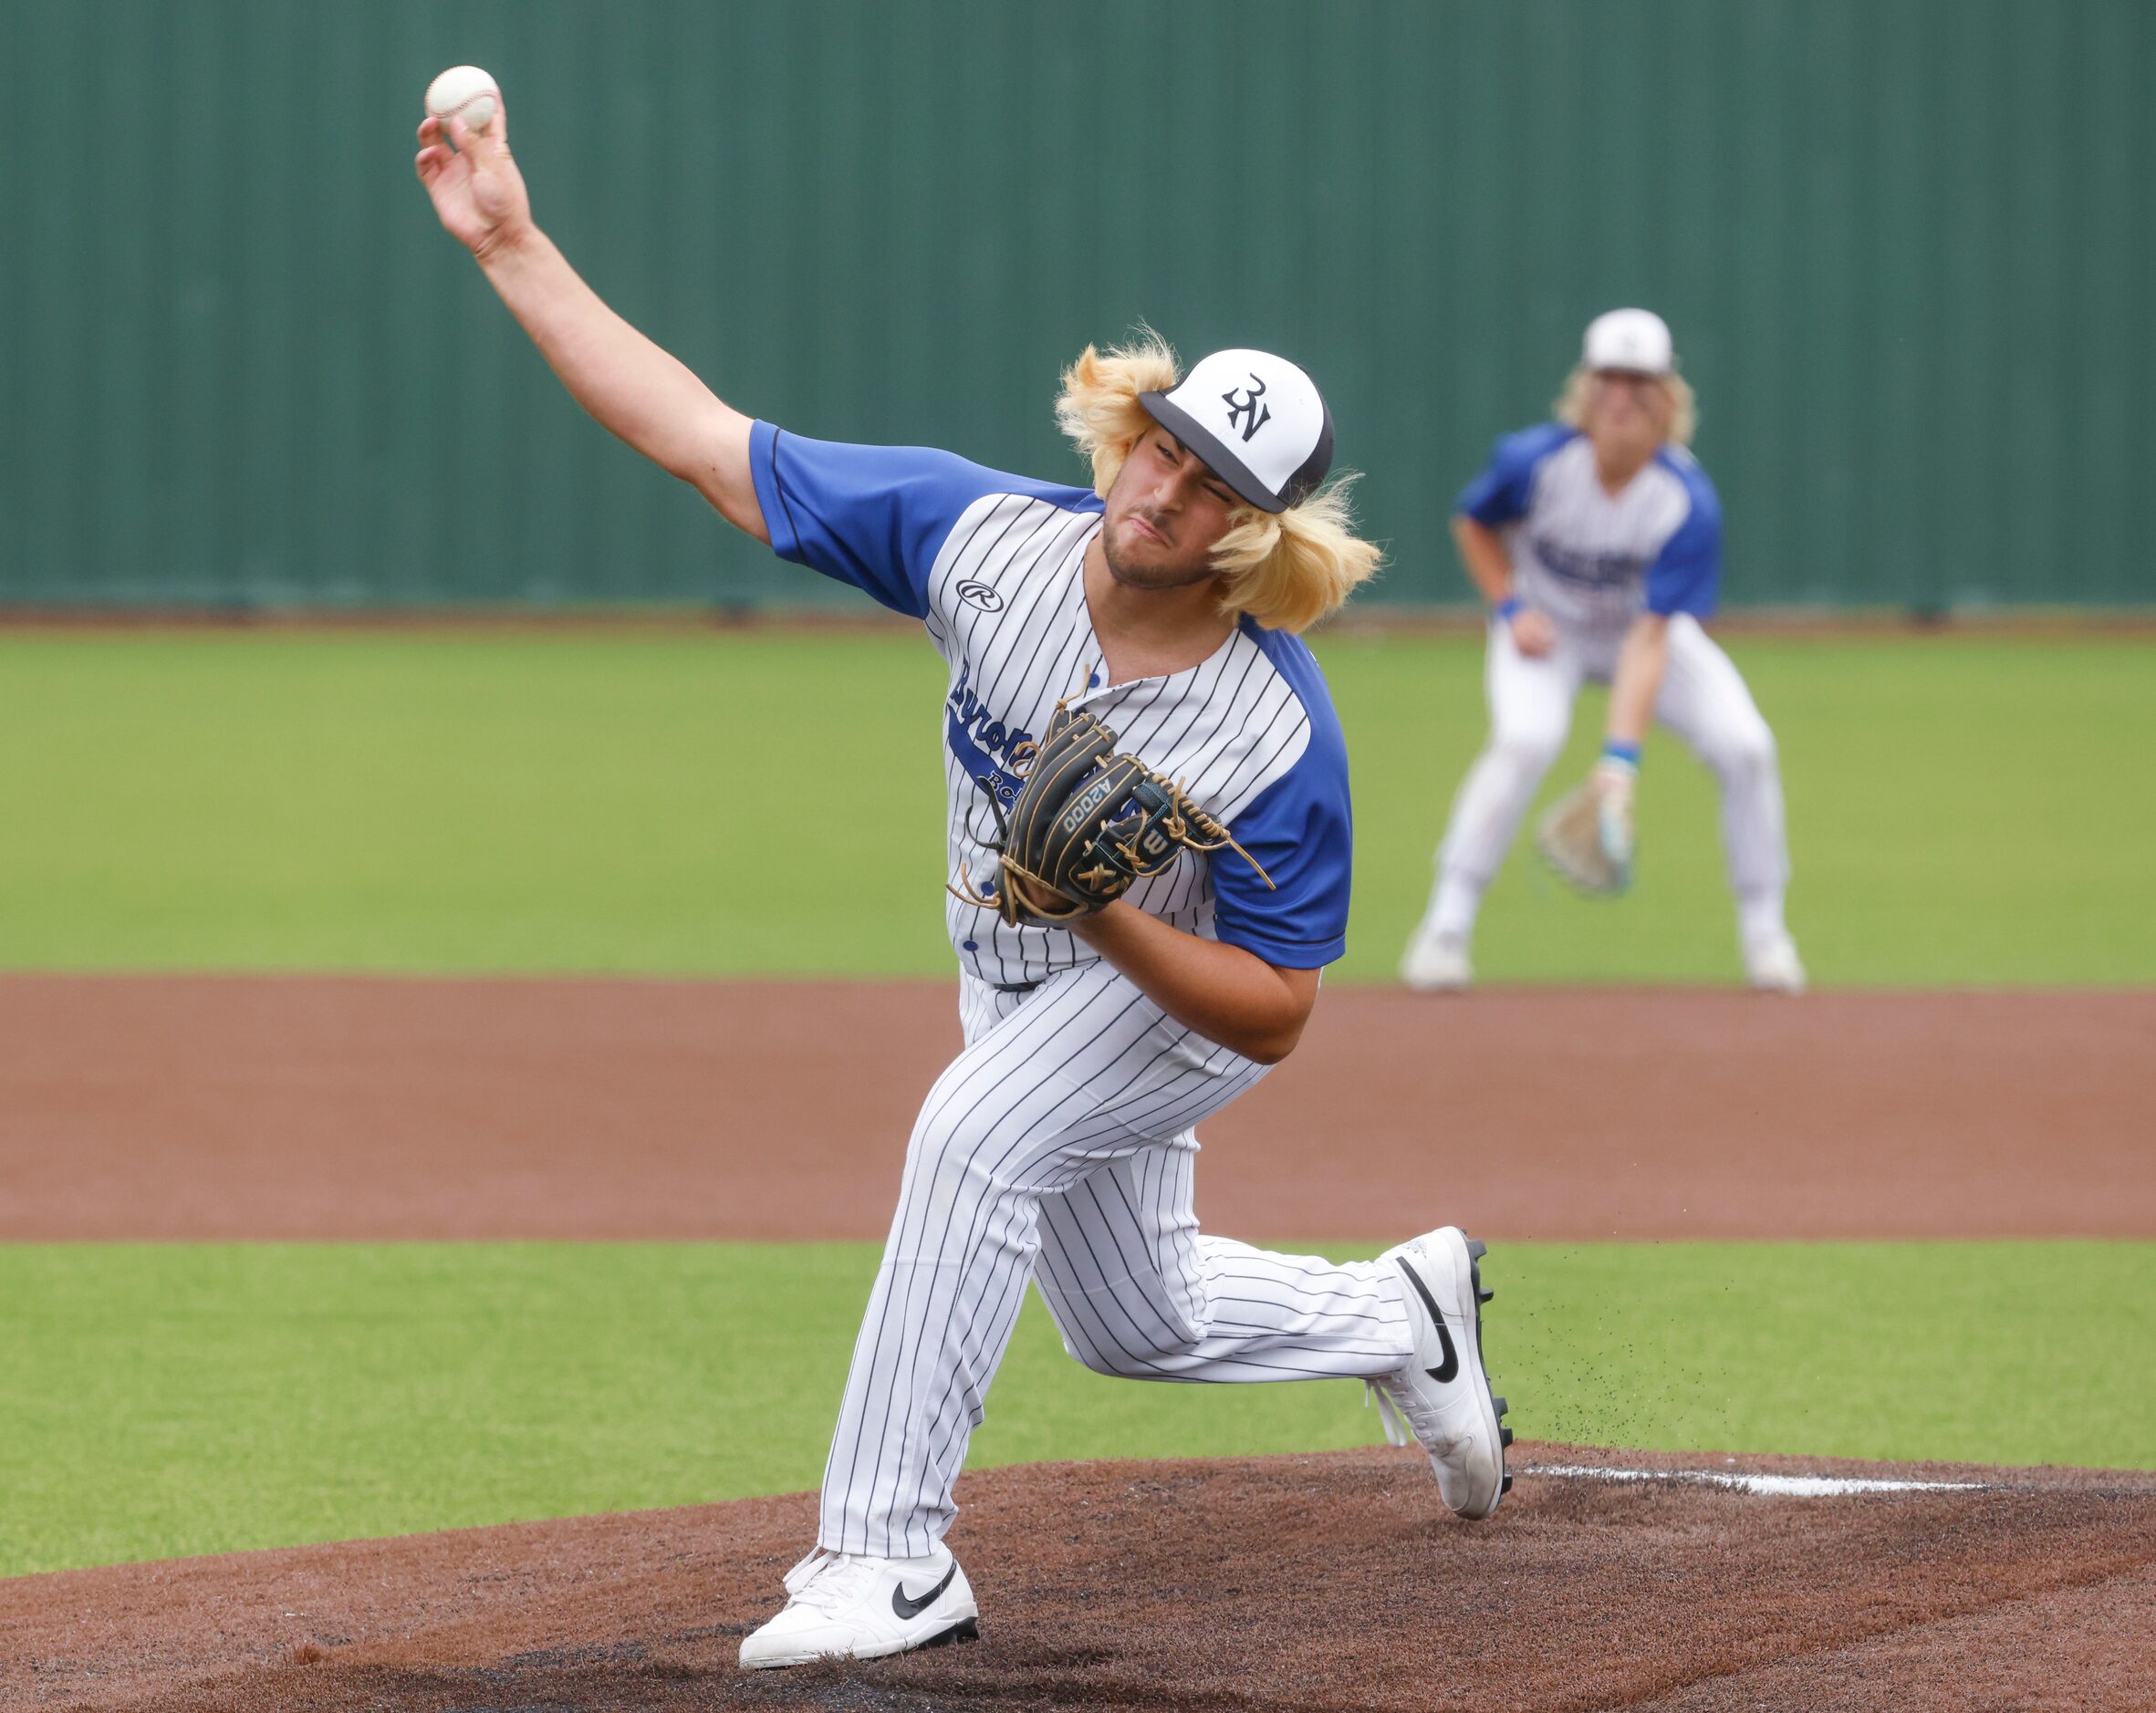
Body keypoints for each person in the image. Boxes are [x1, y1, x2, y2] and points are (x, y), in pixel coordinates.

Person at [416, 99, 1512, 1670]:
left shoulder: (1272, 735)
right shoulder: (980, 536)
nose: (1164, 491)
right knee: (1131, 1322)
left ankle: (887, 1557)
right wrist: (512, 244)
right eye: (1165, 444)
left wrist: (1106, 915)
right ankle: (1404, 1315)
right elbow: (703, 439)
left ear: (1252, 534)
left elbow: (1275, 1012)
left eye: (1212, 488)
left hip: (1166, 995)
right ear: (1132, 424)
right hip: (1012, 969)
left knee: (968, 1134)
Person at [1400, 308, 1805, 993]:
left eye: (1639, 381)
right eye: (1608, 378)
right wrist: (1509, 604)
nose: (1621, 396)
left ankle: (1765, 931)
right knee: (1525, 739)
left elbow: (1650, 637)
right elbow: (1472, 521)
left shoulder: (1684, 501)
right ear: (1584, 389)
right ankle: (1445, 925)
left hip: (1638, 636)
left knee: (1747, 747)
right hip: (1545, 630)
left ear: (1667, 398)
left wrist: (1618, 763)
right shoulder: (1535, 460)